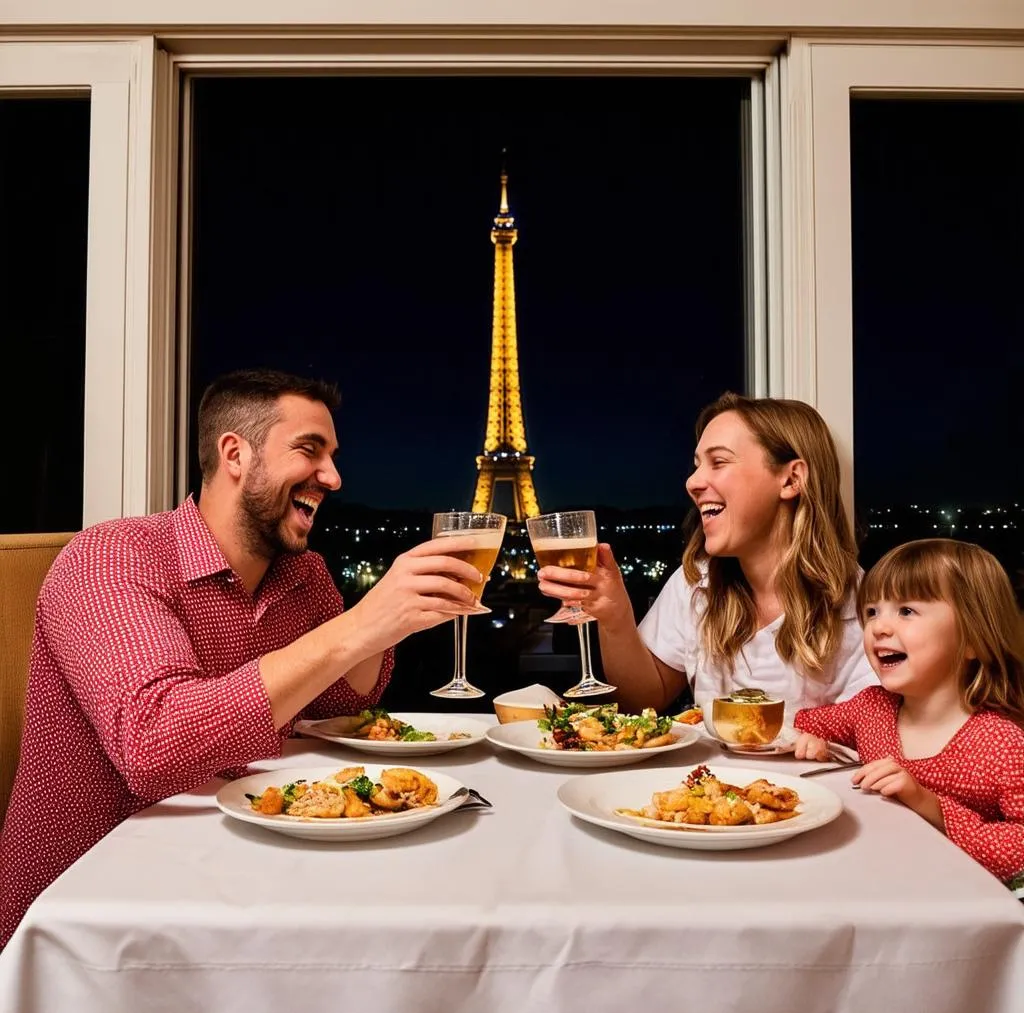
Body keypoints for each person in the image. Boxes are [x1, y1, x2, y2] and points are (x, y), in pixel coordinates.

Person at [0, 368, 484, 947]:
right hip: (90, 914)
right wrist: (357, 627)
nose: (333, 476)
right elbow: (155, 743)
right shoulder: (112, 556)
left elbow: (338, 702)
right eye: (310, 450)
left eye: (332, 455)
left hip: (243, 880)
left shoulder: (304, 574)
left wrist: (388, 625)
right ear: (235, 453)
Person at [537, 391, 875, 718]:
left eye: (719, 462)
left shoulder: (863, 607)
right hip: (707, 778)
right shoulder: (695, 582)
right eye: (698, 465)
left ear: (791, 479)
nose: (692, 482)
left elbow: (874, 736)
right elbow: (641, 701)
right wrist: (616, 618)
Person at [793, 539, 1024, 892]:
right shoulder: (871, 708)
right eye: (872, 612)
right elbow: (801, 723)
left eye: (906, 611)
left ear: (974, 640)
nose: (879, 627)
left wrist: (927, 804)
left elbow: (1019, 850)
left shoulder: (1001, 744)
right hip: (874, 883)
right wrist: (809, 740)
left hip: (953, 908)